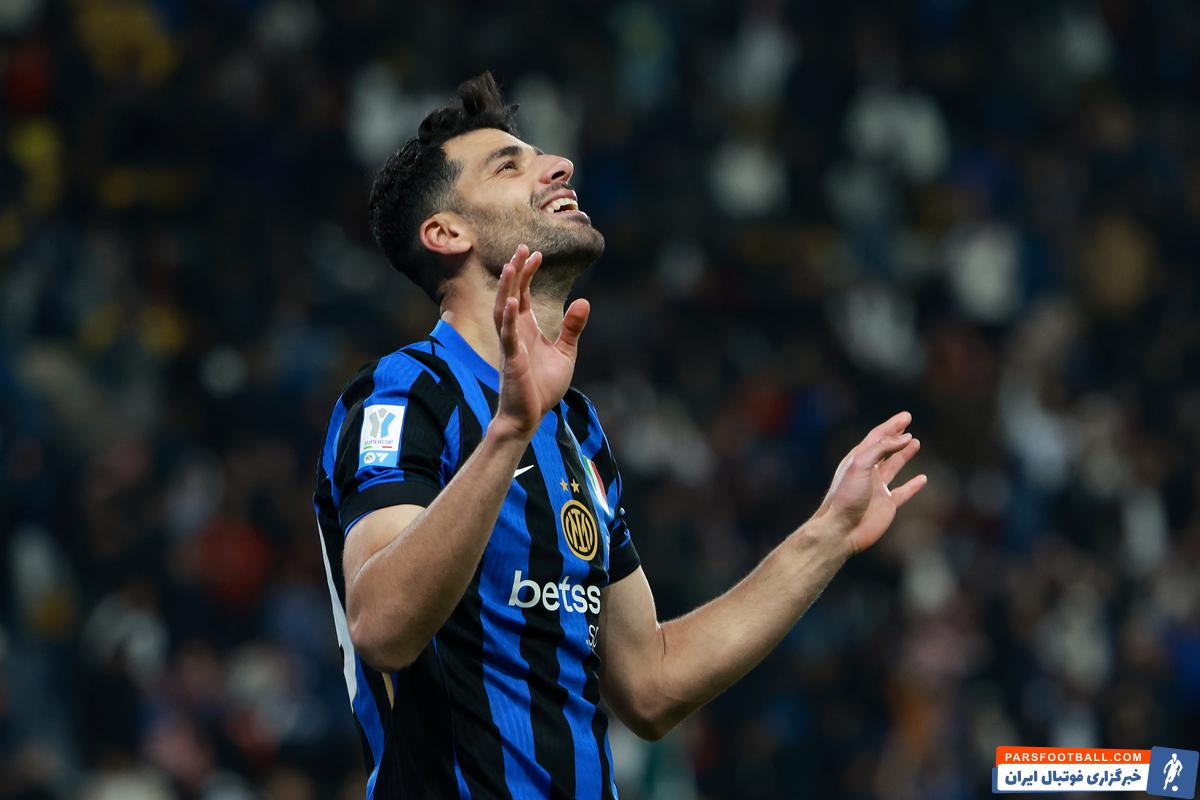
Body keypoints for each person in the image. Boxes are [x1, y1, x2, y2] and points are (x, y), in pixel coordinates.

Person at [313, 72, 927, 799]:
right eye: (508, 166)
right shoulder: (404, 392)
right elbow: (381, 626)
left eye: (541, 155)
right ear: (447, 233)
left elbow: (652, 683)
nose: (559, 165)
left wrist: (827, 534)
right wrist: (509, 431)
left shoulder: (575, 428)